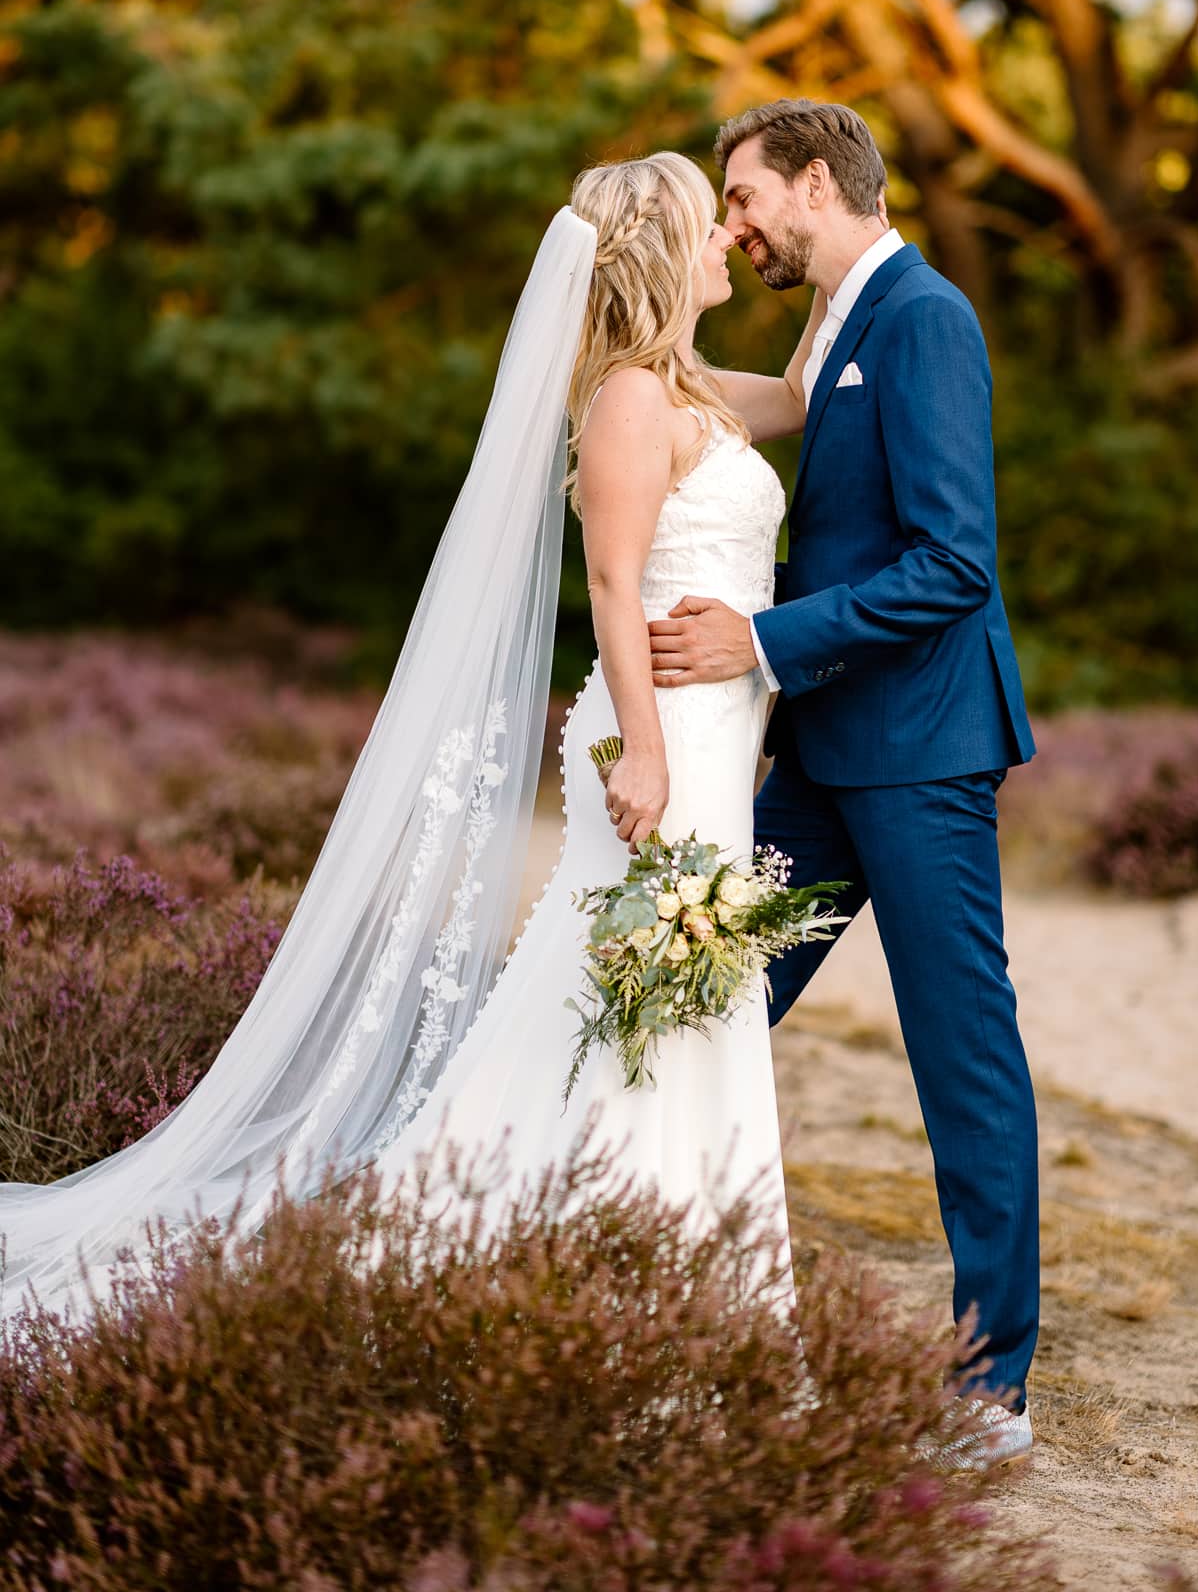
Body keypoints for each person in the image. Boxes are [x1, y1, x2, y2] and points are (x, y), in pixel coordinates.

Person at [0, 151, 821, 1336]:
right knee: (644, 975)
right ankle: (582, 1249)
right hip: (662, 728)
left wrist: (848, 244)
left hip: (708, 727)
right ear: (658, 255)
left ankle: (646, 1245)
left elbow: (803, 391)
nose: (726, 245)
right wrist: (642, 746)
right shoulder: (632, 401)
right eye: (711, 225)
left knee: (655, 981)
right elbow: (610, 577)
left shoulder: (691, 387)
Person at [648, 99, 1040, 1466]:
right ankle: (623, 1285)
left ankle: (990, 1393)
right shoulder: (832, 325)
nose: (736, 221)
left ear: (817, 183)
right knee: (696, 995)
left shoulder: (923, 316)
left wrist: (760, 642)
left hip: (924, 758)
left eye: (747, 194)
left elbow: (952, 564)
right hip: (818, 760)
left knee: (961, 1063)